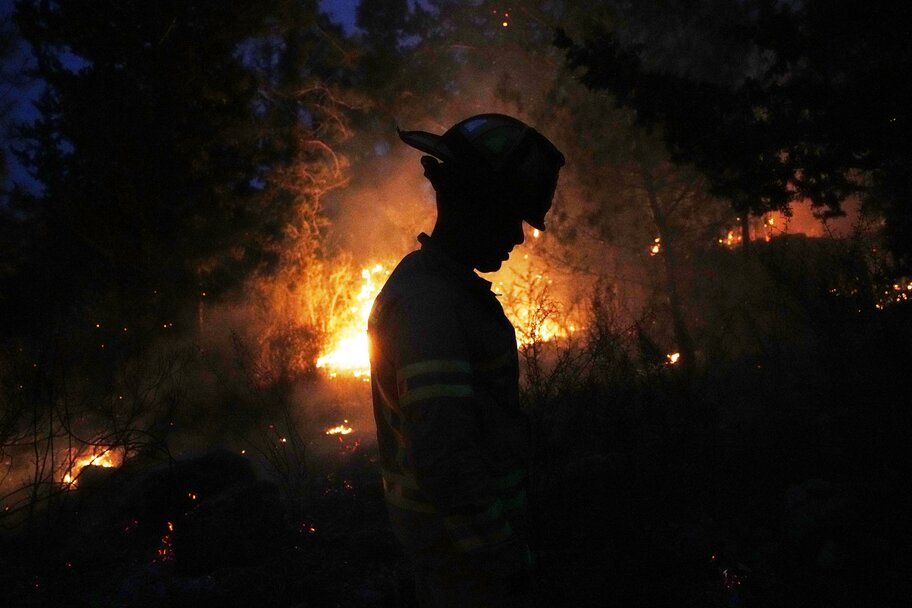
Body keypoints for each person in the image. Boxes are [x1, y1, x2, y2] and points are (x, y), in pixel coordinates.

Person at [368, 113, 565, 607]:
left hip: (462, 551)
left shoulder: (446, 292)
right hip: (466, 564)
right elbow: (447, 458)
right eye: (511, 215)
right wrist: (504, 562)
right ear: (473, 202)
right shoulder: (429, 306)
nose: (520, 238)